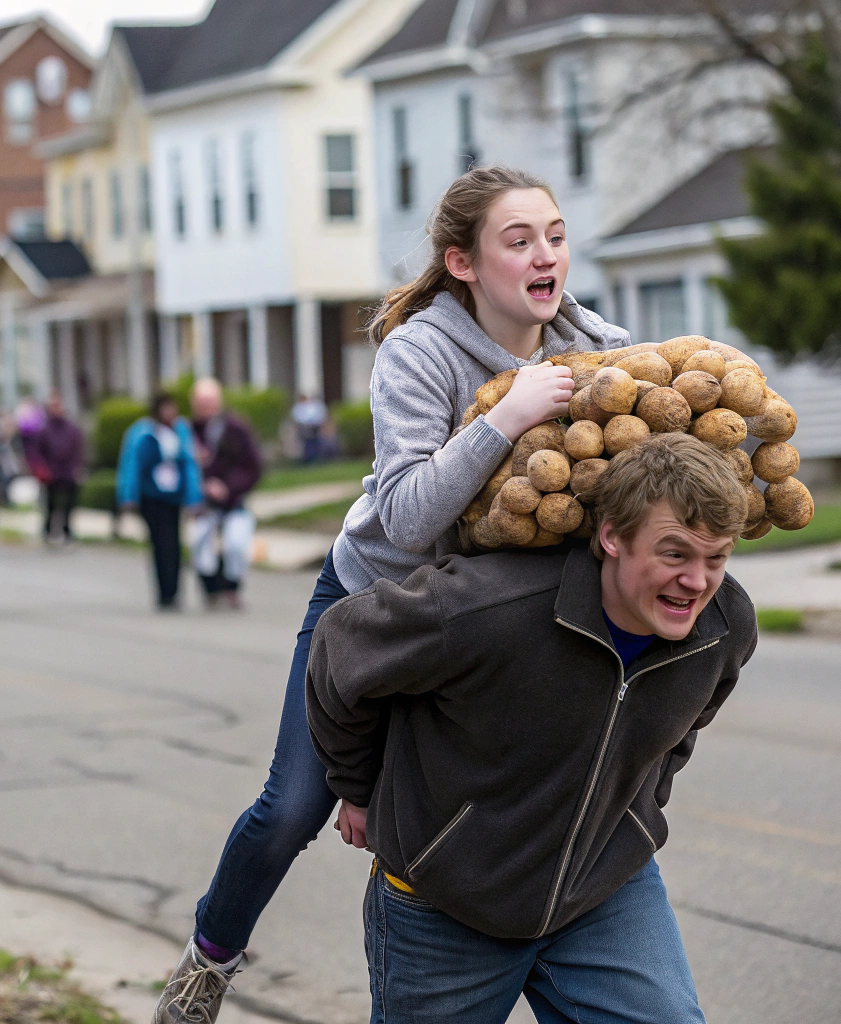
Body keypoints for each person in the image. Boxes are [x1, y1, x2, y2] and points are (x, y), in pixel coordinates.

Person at [152, 165, 631, 1024]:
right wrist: (505, 418)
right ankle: (207, 959)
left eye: (554, 235)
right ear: (463, 263)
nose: (545, 253)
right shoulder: (419, 351)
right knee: (296, 806)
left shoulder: (594, 347)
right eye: (518, 240)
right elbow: (408, 517)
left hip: (486, 628)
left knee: (450, 818)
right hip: (372, 605)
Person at [308, 434, 758, 1024]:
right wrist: (358, 785)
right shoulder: (482, 610)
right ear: (613, 537)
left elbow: (679, 732)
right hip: (448, 903)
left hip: (601, 893)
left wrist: (628, 812)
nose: (697, 582)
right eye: (675, 554)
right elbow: (340, 649)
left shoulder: (725, 628)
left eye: (716, 558)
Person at [123, 393, 201, 609]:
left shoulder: (180, 431)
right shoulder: (143, 432)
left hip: (172, 497)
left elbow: (189, 464)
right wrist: (128, 496)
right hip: (152, 497)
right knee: (160, 544)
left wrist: (194, 497)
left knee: (174, 544)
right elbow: (132, 465)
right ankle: (163, 592)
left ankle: (174, 590)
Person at [190, 379, 263, 609]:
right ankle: (211, 589)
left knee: (235, 545)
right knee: (199, 544)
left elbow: (252, 466)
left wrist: (228, 487)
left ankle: (231, 588)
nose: (206, 407)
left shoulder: (235, 429)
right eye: (201, 403)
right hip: (202, 504)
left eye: (210, 402)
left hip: (233, 502)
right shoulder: (189, 431)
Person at [35, 392, 84, 544]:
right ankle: (49, 530)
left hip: (67, 471)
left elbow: (78, 449)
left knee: (69, 503)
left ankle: (66, 530)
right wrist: (42, 469)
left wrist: (77, 467)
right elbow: (38, 451)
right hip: (51, 472)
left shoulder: (71, 429)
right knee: (50, 504)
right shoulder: (44, 430)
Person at [291, 393, 330, 462]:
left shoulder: (313, 406)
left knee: (315, 442)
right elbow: (298, 418)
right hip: (304, 427)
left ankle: (315, 458)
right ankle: (307, 458)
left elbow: (319, 416)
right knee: (307, 443)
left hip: (314, 427)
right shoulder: (299, 407)